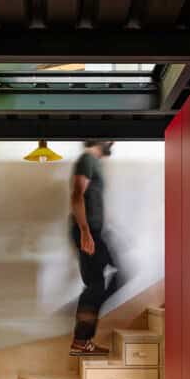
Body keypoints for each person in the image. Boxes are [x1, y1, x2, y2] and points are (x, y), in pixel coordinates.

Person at [69, 140, 125, 356]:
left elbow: (92, 200)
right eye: (111, 138)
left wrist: (107, 230)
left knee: (105, 282)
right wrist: (85, 232)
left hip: (95, 231)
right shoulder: (87, 159)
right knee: (95, 285)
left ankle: (85, 317)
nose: (113, 142)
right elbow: (77, 195)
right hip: (88, 232)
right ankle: (81, 339)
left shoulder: (93, 162)